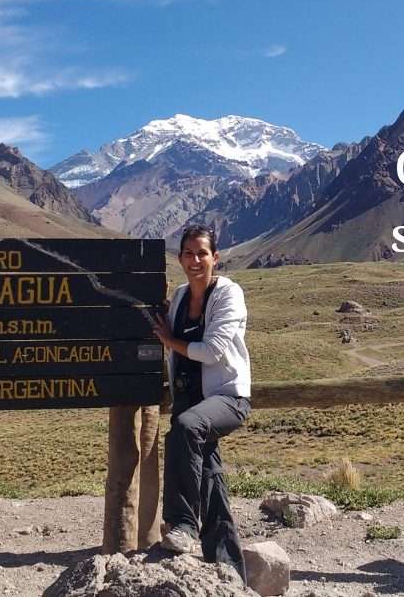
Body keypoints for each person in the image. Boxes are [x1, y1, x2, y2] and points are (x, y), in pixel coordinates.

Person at [150, 224, 252, 582]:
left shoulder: (228, 294)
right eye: (188, 253)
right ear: (179, 258)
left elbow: (212, 351)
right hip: (189, 400)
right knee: (211, 483)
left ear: (216, 258)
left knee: (185, 428)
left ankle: (181, 524)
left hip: (226, 398)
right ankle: (230, 570)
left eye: (202, 253)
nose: (195, 260)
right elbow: (164, 323)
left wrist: (169, 340)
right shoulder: (179, 296)